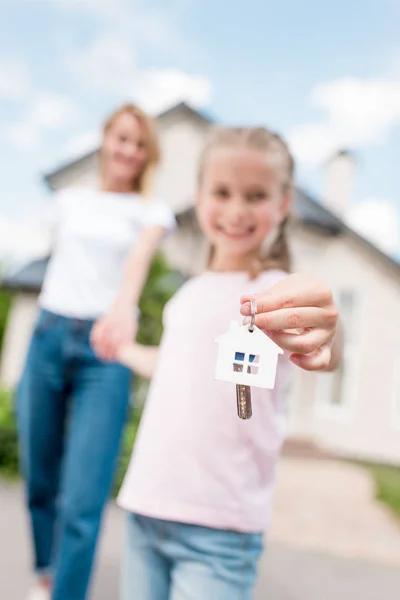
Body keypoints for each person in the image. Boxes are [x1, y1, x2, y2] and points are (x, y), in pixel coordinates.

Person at [114, 126, 343, 600]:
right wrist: (123, 351)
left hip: (220, 528)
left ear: (282, 205)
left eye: (255, 195)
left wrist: (327, 340)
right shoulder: (188, 294)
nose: (237, 210)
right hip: (145, 506)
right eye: (222, 192)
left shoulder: (279, 292)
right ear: (199, 197)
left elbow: (320, 342)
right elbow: (175, 365)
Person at [16, 103, 176, 600]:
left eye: (138, 142)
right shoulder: (69, 201)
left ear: (147, 154)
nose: (127, 149)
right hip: (46, 336)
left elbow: (138, 260)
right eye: (121, 138)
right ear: (105, 140)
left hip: (104, 352)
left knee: (83, 496)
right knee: (39, 474)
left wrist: (123, 308)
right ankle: (47, 571)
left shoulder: (150, 212)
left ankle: (66, 593)